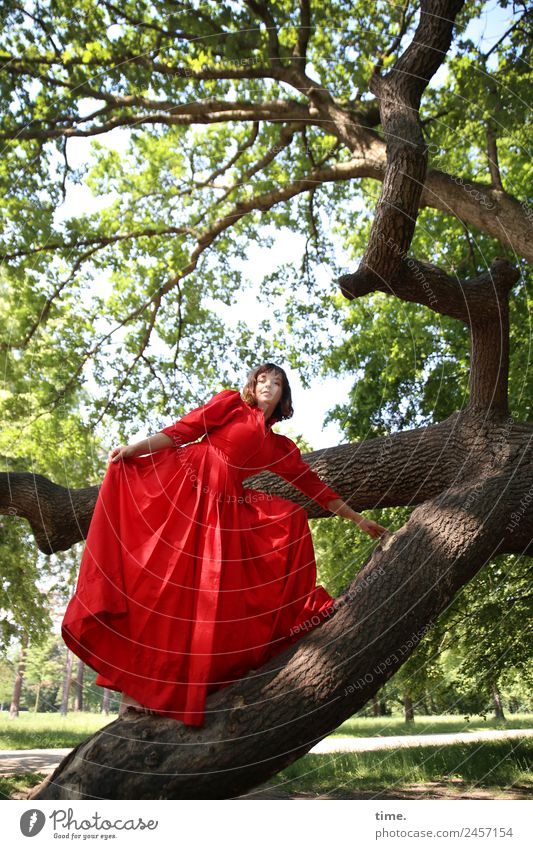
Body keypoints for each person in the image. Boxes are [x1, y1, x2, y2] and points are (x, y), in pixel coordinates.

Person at [61, 363, 389, 726]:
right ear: (252, 385)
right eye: (263, 379)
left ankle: (187, 685)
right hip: (185, 487)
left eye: (277, 382)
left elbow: (313, 486)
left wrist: (357, 518)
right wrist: (135, 449)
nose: (268, 385)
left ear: (284, 396)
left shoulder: (278, 447)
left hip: (222, 509)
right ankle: (136, 695)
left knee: (220, 585)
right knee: (162, 586)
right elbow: (182, 431)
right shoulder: (231, 404)